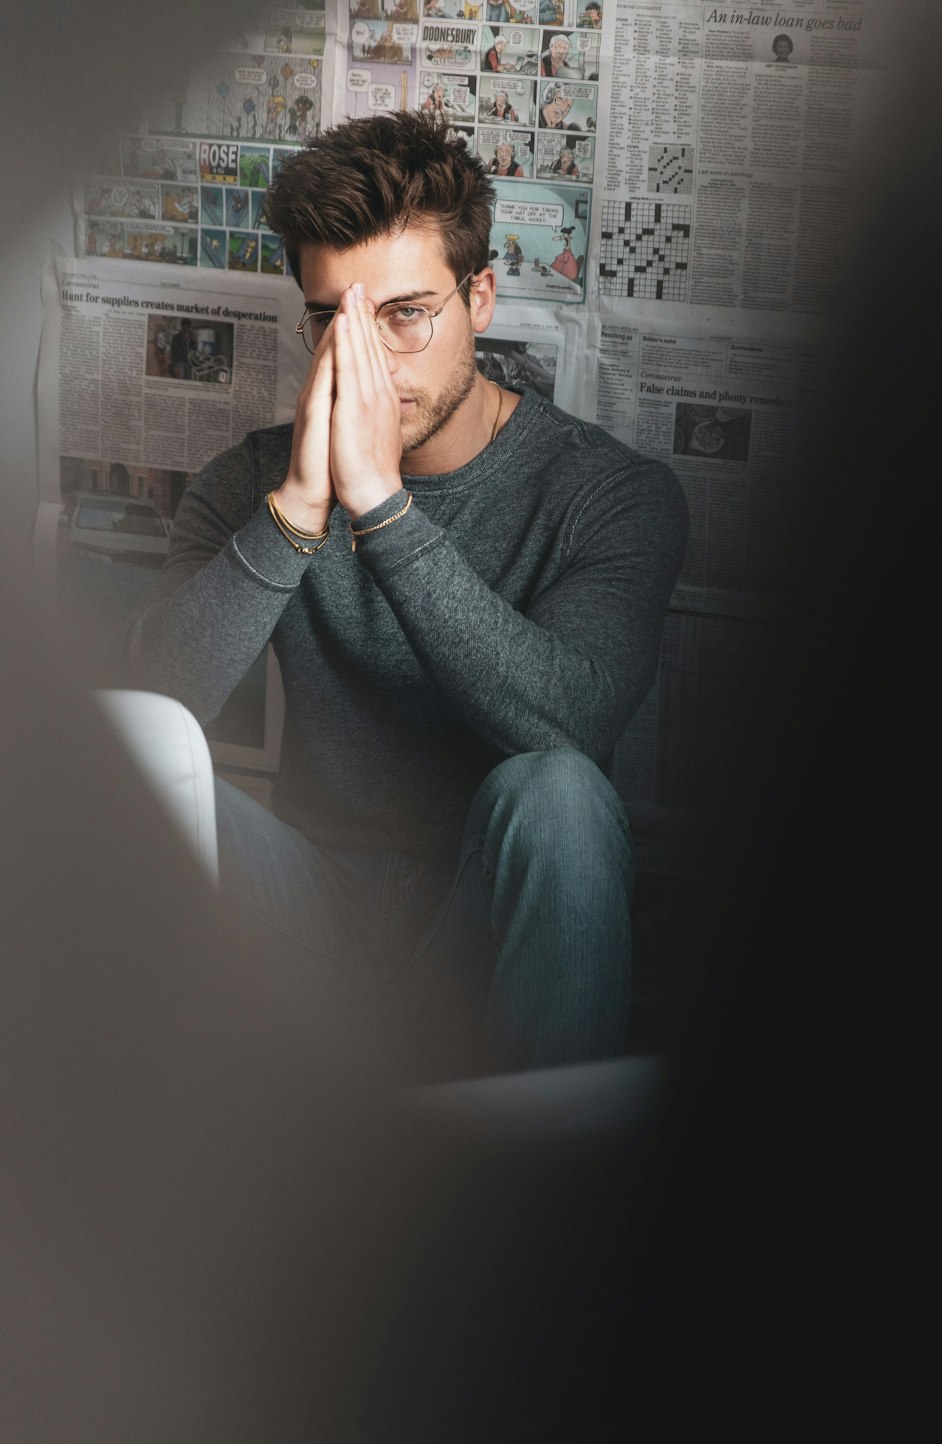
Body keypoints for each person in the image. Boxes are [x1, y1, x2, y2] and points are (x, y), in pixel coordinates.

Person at [116, 112, 687, 1076]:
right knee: (129, 777)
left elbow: (571, 724)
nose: (372, 361)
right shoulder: (253, 478)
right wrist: (300, 507)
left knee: (557, 790)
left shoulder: (612, 495)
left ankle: (540, 1195)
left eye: (406, 313)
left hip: (490, 924)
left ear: (483, 298)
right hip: (314, 915)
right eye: (336, 319)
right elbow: (152, 708)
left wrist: (379, 503)